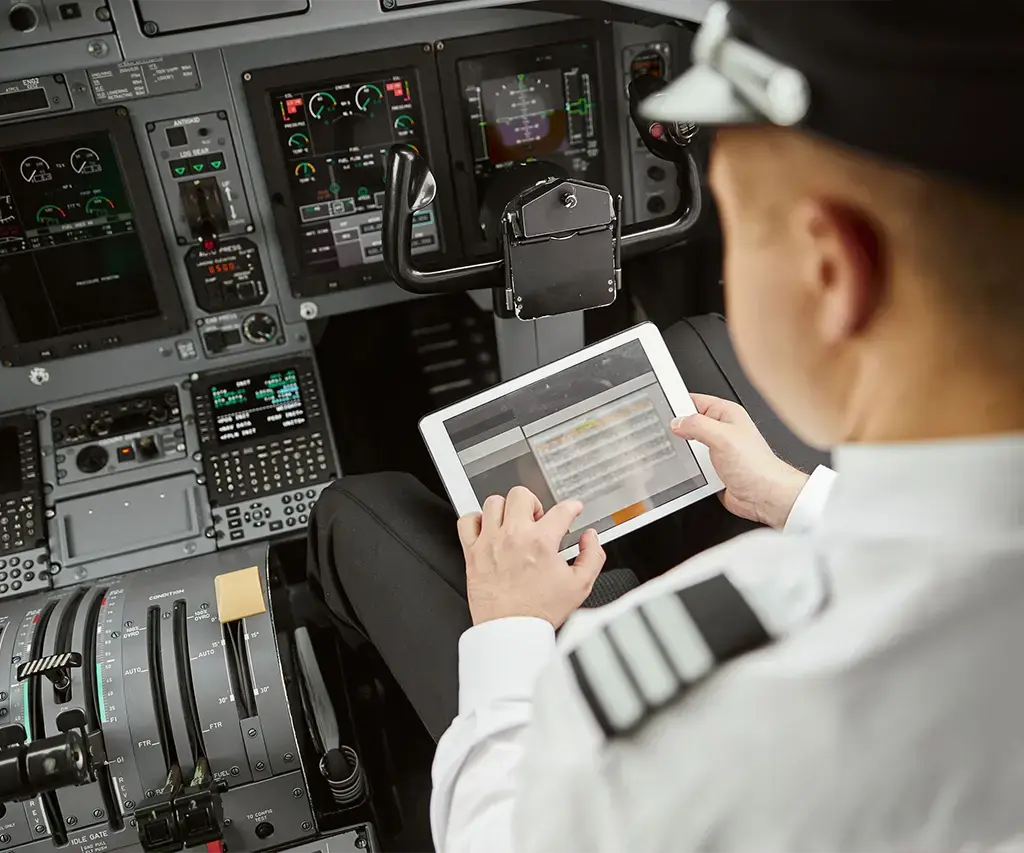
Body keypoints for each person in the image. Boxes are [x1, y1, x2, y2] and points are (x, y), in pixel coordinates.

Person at [308, 0, 1024, 849]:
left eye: (735, 220)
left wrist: (510, 629)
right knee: (695, 354)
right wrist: (798, 500)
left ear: (831, 273)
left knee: (359, 511)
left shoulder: (679, 687)